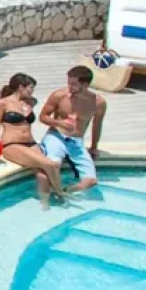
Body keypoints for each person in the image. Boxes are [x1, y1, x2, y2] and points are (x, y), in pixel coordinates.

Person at [0, 73, 64, 207]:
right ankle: (61, 194)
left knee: (43, 175)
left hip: (31, 143)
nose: (32, 91)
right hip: (11, 144)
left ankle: (45, 203)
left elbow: (34, 100)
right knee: (49, 164)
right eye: (30, 87)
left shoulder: (29, 102)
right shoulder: (3, 103)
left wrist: (26, 101)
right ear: (20, 87)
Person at [41, 65, 106, 195]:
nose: (69, 87)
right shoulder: (59, 96)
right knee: (54, 166)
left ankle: (66, 192)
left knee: (91, 181)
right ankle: (55, 194)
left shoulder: (98, 103)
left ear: (85, 84)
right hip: (56, 137)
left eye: (73, 84)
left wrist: (94, 147)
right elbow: (43, 117)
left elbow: (97, 125)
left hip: (76, 142)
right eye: (69, 83)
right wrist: (58, 122)